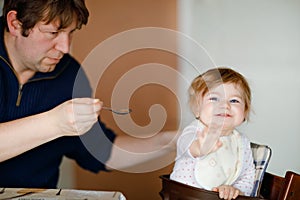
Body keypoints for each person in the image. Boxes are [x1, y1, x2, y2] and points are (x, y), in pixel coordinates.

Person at [0, 0, 176, 188]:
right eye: (53, 33)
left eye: (71, 32)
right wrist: (54, 123)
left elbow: (100, 150)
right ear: (15, 24)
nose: (65, 48)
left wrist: (170, 142)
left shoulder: (69, 73)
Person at [170, 68, 255, 200]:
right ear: (197, 109)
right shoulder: (194, 131)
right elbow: (185, 145)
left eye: (234, 101)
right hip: (184, 196)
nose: (224, 105)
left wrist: (236, 190)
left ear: (245, 112)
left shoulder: (241, 143)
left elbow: (248, 177)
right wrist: (200, 147)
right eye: (214, 98)